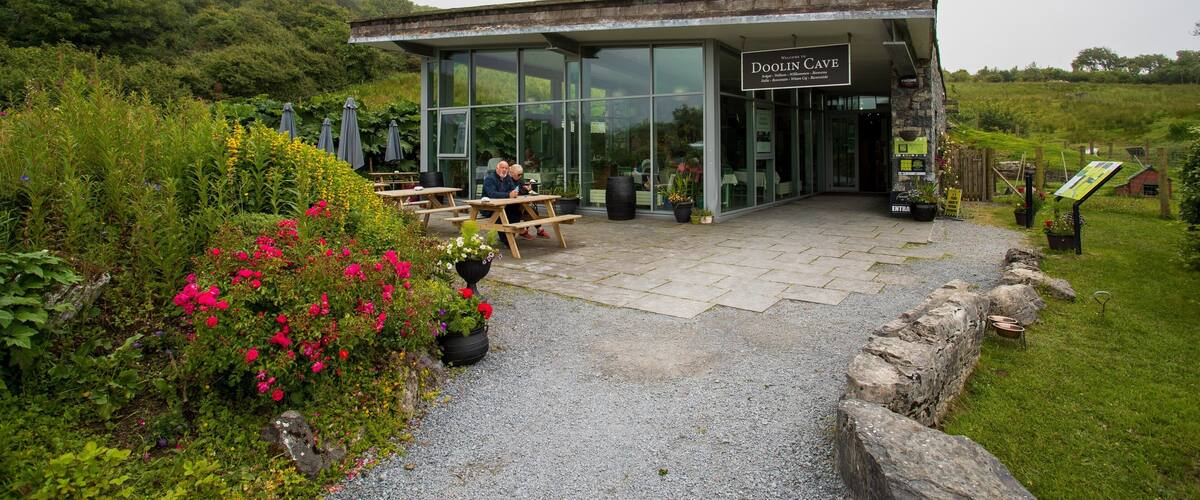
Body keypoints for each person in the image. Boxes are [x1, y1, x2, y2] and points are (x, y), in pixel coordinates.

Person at [481, 160, 534, 241]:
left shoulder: (507, 178)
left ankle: (510, 237)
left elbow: (513, 190)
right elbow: (492, 194)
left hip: (504, 206)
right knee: (503, 214)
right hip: (490, 208)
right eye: (502, 168)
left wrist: (515, 193)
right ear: (497, 168)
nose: (504, 170)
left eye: (506, 168)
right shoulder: (490, 179)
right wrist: (508, 195)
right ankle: (507, 240)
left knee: (517, 210)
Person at [509, 164, 549, 239]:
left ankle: (538, 230)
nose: (520, 176)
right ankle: (523, 231)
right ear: (512, 173)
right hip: (511, 206)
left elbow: (523, 191)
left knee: (533, 211)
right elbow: (514, 192)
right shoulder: (508, 180)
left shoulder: (519, 180)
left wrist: (528, 189)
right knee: (524, 211)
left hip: (520, 204)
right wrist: (524, 190)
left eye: (521, 174)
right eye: (518, 174)